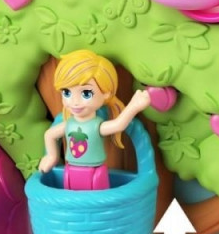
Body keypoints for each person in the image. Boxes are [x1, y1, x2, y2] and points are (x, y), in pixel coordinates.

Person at [39, 49, 151, 190]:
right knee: (72, 197)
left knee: (97, 197)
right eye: (66, 92)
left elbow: (118, 125)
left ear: (106, 93)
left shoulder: (95, 125)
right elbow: (49, 135)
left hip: (95, 172)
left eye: (86, 93)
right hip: (70, 171)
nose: (74, 102)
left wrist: (133, 106)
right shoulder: (69, 124)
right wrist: (51, 156)